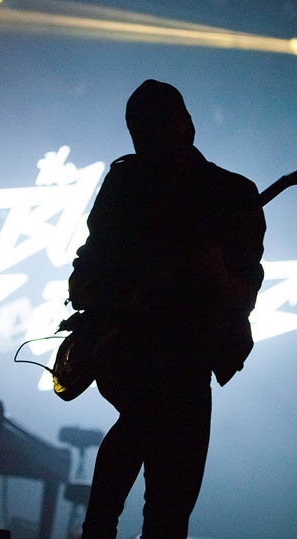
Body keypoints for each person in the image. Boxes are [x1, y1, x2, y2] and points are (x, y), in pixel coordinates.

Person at [68, 80, 266, 539]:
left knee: (165, 507)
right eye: (142, 133)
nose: (150, 143)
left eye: (157, 130)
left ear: (186, 127)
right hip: (137, 352)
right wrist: (99, 299)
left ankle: (97, 529)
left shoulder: (229, 194)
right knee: (163, 496)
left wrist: (212, 269)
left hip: (185, 356)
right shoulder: (127, 183)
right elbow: (92, 262)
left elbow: (242, 295)